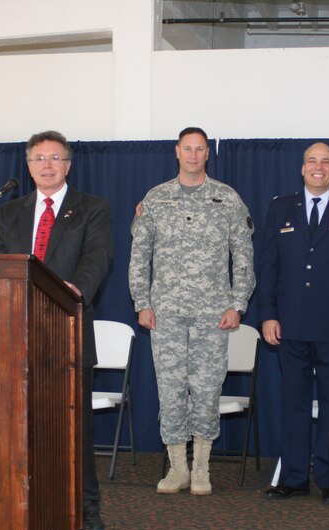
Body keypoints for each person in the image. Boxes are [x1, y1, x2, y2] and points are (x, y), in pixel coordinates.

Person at [0, 130, 113, 530]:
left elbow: (98, 257)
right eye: (39, 158)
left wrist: (73, 291)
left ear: (68, 165)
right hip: (16, 332)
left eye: (55, 158)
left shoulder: (92, 208)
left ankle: (85, 508)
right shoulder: (9, 213)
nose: (47, 165)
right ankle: (23, 504)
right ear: (28, 167)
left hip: (68, 327)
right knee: (18, 424)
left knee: (73, 427)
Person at [128, 127, 255, 496]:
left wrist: (238, 303)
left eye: (200, 149)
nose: (194, 155)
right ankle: (177, 468)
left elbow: (243, 256)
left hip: (212, 314)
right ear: (177, 152)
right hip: (165, 313)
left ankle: (201, 468)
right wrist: (142, 303)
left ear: (207, 155)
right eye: (188, 148)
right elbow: (140, 256)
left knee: (206, 389)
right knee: (169, 390)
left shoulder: (227, 199)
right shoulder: (156, 198)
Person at [258, 142, 329, 505]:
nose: (319, 167)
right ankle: (293, 477)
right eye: (312, 161)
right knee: (293, 403)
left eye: (326, 162)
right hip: (289, 325)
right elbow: (268, 266)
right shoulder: (280, 208)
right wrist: (267, 313)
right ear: (302, 168)